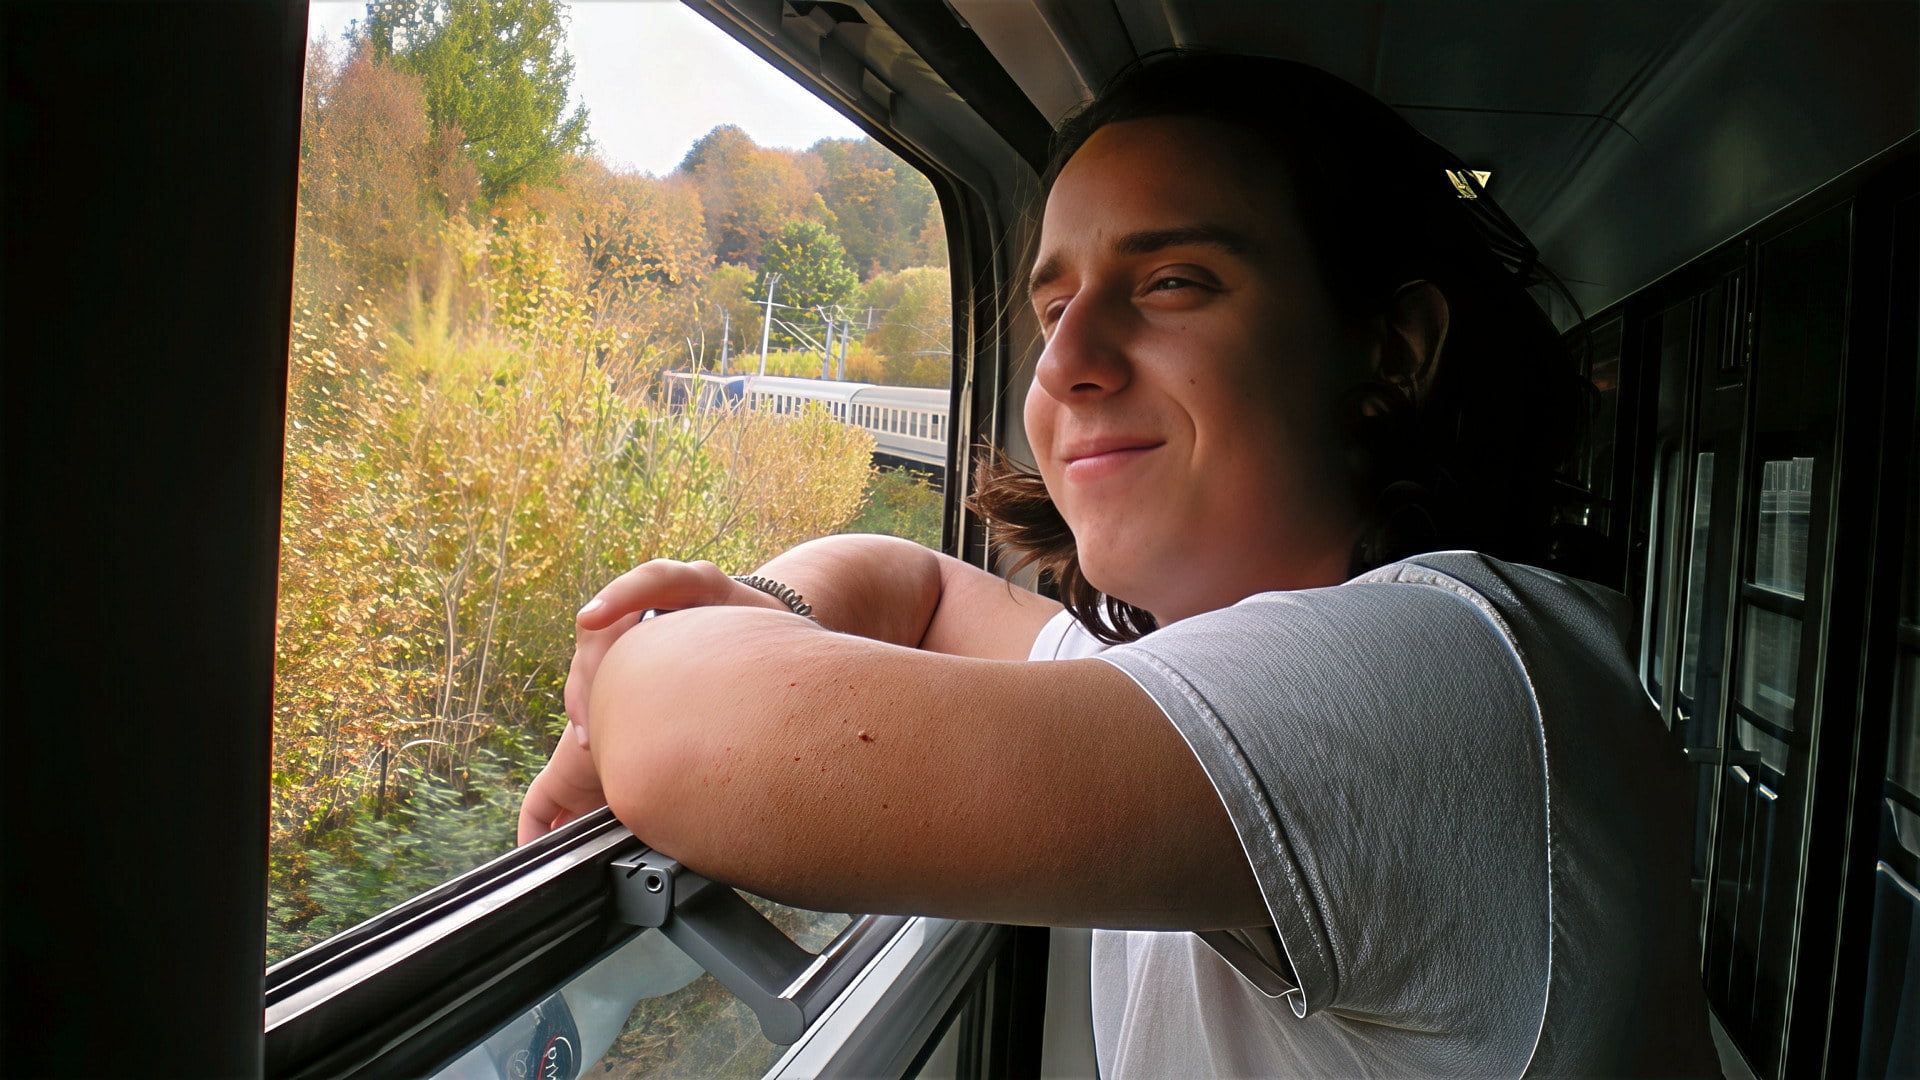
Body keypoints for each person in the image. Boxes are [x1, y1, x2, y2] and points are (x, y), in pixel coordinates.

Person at [519, 51, 1721, 1079]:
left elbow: (698, 743)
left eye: (1172, 283)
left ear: (1392, 351)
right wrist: (763, 606)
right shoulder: (1216, 679)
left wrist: (633, 678)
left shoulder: (1439, 678)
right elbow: (915, 583)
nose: (1065, 362)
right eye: (1054, 309)